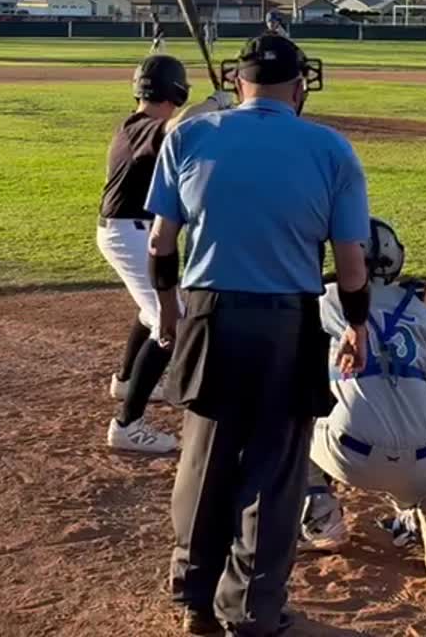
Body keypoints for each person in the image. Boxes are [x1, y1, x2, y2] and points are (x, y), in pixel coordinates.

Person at [147, 33, 372, 637]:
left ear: (236, 80)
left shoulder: (189, 135)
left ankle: (194, 598)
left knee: (205, 458)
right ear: (299, 86)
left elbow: (160, 243)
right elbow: (351, 264)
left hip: (209, 313)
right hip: (285, 321)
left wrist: (167, 311)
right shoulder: (330, 149)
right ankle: (250, 610)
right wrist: (356, 325)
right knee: (273, 471)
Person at [298, 217, 426, 587]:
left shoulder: (323, 301)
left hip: (349, 454)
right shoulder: (424, 314)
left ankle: (321, 514)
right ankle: (420, 514)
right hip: (425, 463)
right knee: (419, 436)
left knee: (289, 413)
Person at [96, 54, 192, 455]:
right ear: (176, 91)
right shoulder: (145, 128)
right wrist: (215, 105)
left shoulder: (131, 125)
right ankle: (127, 425)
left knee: (150, 309)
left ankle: (124, 381)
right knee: (171, 321)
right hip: (129, 234)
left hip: (126, 231)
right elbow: (178, 126)